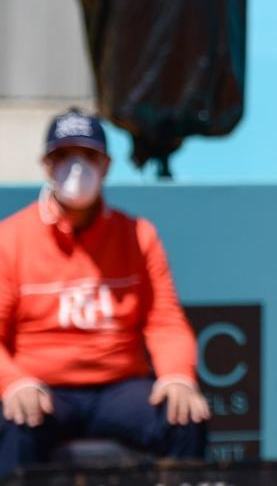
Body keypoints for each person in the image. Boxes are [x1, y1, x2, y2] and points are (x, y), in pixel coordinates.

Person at [0, 109, 209, 476]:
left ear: (107, 165)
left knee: (184, 415)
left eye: (87, 155)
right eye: (63, 156)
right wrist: (13, 382)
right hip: (44, 388)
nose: (75, 167)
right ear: (46, 165)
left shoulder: (138, 234)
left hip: (118, 388)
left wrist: (178, 375)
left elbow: (165, 320)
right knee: (14, 420)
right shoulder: (10, 238)